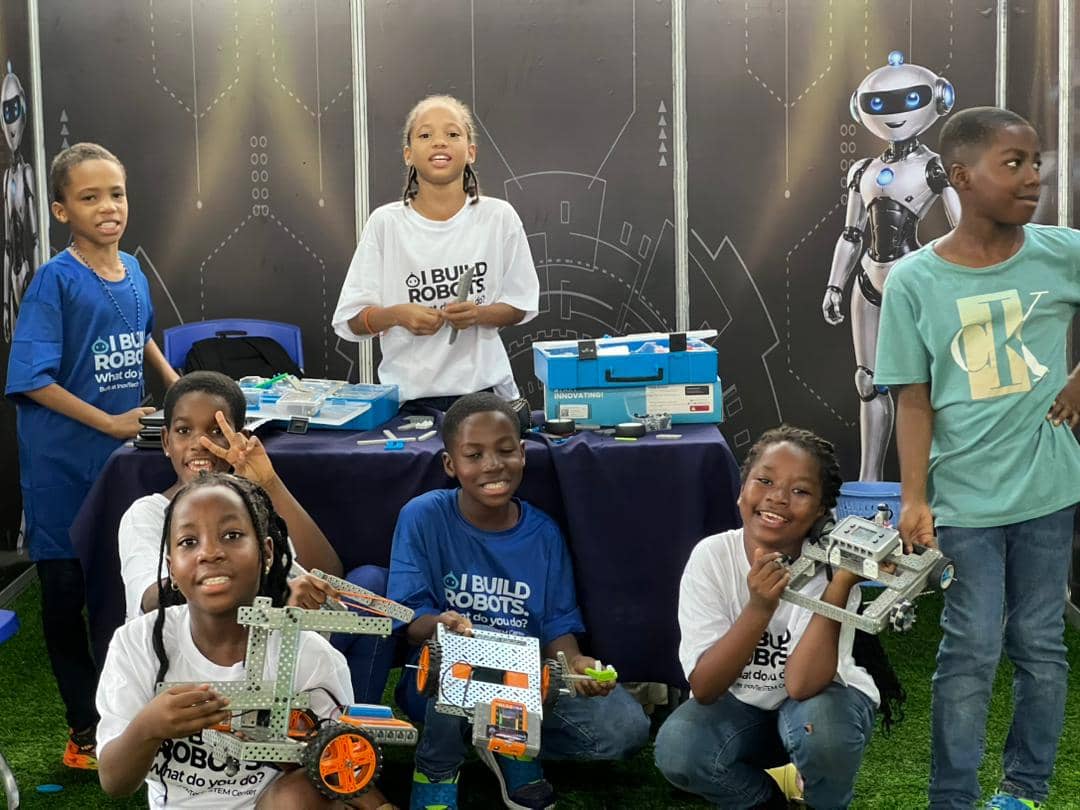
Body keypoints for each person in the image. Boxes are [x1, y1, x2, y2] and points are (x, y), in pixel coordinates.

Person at [875, 106, 1080, 810]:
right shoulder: (913, 280)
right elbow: (912, 398)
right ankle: (952, 798)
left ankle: (1024, 789)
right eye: (1012, 163)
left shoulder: (1063, 252)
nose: (1032, 178)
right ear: (961, 177)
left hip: (1049, 490)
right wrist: (914, 497)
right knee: (969, 650)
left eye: (1035, 163)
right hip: (962, 499)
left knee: (1040, 644)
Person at [387, 393, 650, 810]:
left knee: (625, 729)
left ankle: (504, 742)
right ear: (450, 464)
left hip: (524, 683)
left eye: (505, 450)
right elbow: (409, 619)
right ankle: (437, 768)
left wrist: (576, 665)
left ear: (523, 454)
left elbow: (558, 630)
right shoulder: (423, 516)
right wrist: (442, 625)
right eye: (474, 455)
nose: (493, 465)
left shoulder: (544, 534)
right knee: (456, 661)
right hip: (442, 679)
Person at [4, 142, 179, 769]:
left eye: (116, 194)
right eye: (89, 197)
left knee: (121, 588)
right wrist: (108, 420)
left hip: (119, 466)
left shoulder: (132, 269)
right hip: (61, 469)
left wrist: (178, 389)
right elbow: (30, 378)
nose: (108, 207)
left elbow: (141, 336)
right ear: (60, 211)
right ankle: (84, 729)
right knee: (65, 593)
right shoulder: (54, 281)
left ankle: (133, 711)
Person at [97, 473, 397, 809]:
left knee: (305, 792)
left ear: (266, 553)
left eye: (232, 535)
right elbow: (114, 782)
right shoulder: (137, 644)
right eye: (189, 541)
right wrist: (148, 728)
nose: (210, 552)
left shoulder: (310, 656)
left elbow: (339, 765)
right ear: (172, 568)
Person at [654, 426, 901, 809]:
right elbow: (705, 688)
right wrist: (759, 608)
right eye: (765, 481)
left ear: (821, 511)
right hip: (741, 710)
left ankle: (824, 802)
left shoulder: (835, 566)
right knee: (680, 749)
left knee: (823, 733)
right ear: (742, 491)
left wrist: (839, 586)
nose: (778, 497)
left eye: (800, 491)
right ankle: (767, 801)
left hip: (819, 704)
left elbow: (802, 685)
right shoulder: (711, 557)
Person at [118, 370, 397, 705]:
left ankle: (349, 723)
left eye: (217, 432)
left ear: (242, 437)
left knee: (370, 583)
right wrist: (275, 593)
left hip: (266, 647)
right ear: (166, 441)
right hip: (191, 663)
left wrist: (269, 483)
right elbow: (153, 599)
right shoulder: (147, 514)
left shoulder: (250, 506)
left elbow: (326, 573)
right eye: (183, 431)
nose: (199, 443)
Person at [332, 95, 539, 411]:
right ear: (408, 154)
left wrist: (478, 315)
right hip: (409, 400)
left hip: (486, 394)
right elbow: (350, 322)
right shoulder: (385, 223)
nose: (439, 142)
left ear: (471, 152)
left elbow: (521, 306)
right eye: (425, 135)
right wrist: (397, 315)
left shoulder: (498, 217)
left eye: (452, 134)